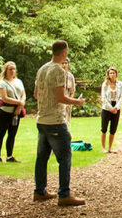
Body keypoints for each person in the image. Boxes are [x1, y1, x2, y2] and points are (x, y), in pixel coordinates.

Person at [33, 40, 86, 206]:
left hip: (41, 119)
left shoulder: (42, 69)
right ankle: (64, 194)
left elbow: (36, 94)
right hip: (55, 120)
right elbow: (60, 97)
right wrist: (76, 102)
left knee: (42, 157)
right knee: (65, 156)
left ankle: (40, 191)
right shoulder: (58, 71)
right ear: (64, 52)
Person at [0, 61, 26, 163]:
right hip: (5, 111)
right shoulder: (2, 83)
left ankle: (9, 156)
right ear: (6, 70)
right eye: (10, 69)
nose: (12, 71)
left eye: (14, 69)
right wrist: (19, 102)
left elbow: (23, 94)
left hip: (16, 111)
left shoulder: (18, 81)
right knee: (1, 133)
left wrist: (20, 105)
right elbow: (5, 98)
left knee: (12, 134)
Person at [100, 67, 122, 154]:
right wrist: (110, 108)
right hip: (106, 108)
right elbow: (103, 97)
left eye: (114, 73)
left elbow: (121, 97)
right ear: (108, 74)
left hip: (116, 107)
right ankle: (103, 147)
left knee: (113, 129)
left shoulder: (120, 84)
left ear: (116, 74)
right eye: (110, 73)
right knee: (104, 128)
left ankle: (110, 147)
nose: (112, 75)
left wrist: (116, 107)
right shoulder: (105, 84)